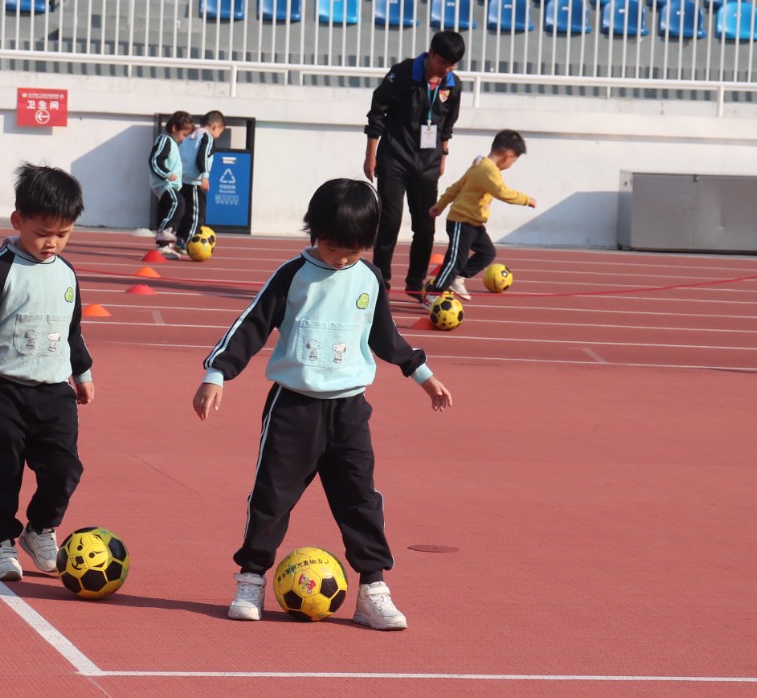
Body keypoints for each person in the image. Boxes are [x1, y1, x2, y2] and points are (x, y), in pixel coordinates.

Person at [193, 178, 454, 630]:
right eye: (334, 247)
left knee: (360, 500)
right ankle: (251, 578)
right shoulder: (293, 275)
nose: (343, 258)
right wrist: (217, 373)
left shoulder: (368, 278)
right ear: (315, 231)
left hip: (349, 411)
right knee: (271, 498)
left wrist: (422, 374)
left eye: (354, 250)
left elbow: (385, 336)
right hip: (293, 410)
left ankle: (373, 589)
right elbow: (251, 324)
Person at [0, 163, 95, 582]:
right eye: (43, 233)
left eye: (63, 234)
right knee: (1, 471)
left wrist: (82, 373)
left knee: (65, 468)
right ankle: (2, 542)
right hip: (3, 388)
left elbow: (71, 328)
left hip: (55, 391)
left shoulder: (66, 273)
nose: (52, 243)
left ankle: (41, 528)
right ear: (18, 221)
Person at [363, 31, 465, 300]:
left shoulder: (452, 85)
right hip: (394, 159)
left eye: (452, 66)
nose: (446, 70)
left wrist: (443, 156)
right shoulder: (403, 73)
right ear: (431, 53)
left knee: (426, 227)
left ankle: (416, 282)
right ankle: (381, 282)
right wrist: (371, 154)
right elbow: (377, 112)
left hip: (428, 164)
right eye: (442, 63)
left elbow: (447, 124)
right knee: (390, 222)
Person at [427, 129, 535, 300]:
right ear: (508, 156)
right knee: (455, 260)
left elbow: (457, 186)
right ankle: (434, 293)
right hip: (461, 221)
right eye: (514, 161)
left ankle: (458, 277)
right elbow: (501, 192)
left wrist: (440, 206)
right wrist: (526, 200)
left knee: (487, 253)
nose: (511, 165)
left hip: (474, 223)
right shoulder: (488, 170)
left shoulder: (480, 164)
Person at [177, 110, 226, 248]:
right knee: (197, 215)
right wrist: (205, 176)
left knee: (186, 213)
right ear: (215, 126)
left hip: (183, 179)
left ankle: (180, 239)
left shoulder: (190, 136)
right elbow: (202, 156)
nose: (218, 135)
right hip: (195, 181)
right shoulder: (207, 137)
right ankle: (188, 242)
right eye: (220, 132)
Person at [150, 111, 195, 256]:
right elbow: (154, 160)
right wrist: (167, 174)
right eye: (184, 134)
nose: (184, 139)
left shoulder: (174, 144)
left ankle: (163, 246)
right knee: (178, 202)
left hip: (171, 185)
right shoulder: (165, 140)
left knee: (169, 209)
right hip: (164, 184)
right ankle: (163, 231)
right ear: (175, 128)